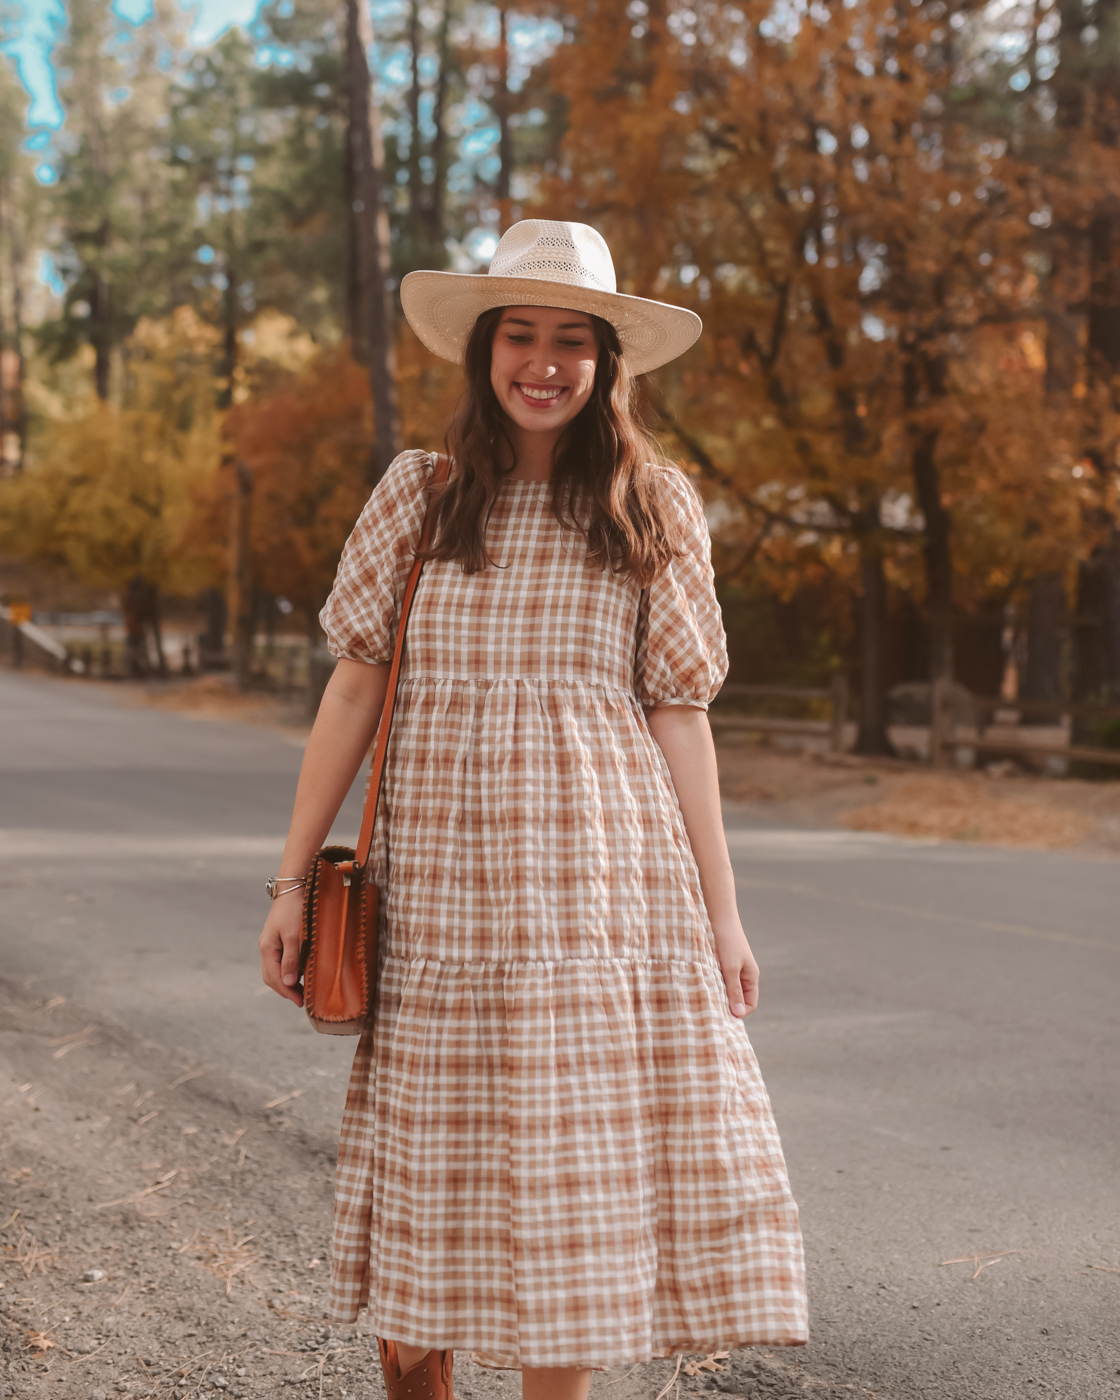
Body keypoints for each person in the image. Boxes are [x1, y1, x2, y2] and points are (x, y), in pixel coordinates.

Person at [258, 220, 807, 1400]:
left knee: (569, 1189)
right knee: (430, 1180)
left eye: (573, 339)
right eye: (522, 334)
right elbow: (354, 684)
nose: (544, 362)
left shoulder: (653, 504)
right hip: (442, 898)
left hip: (599, 899)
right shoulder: (422, 491)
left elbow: (679, 713)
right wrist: (294, 879)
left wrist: (724, 913)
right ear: (484, 351)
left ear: (609, 361)